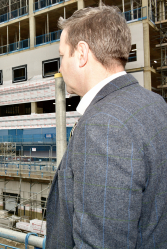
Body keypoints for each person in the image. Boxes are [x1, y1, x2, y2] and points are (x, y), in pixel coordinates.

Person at [46, 5, 167, 248]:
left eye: (62, 56)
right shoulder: (155, 103)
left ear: (81, 53)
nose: (60, 68)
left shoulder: (104, 125)